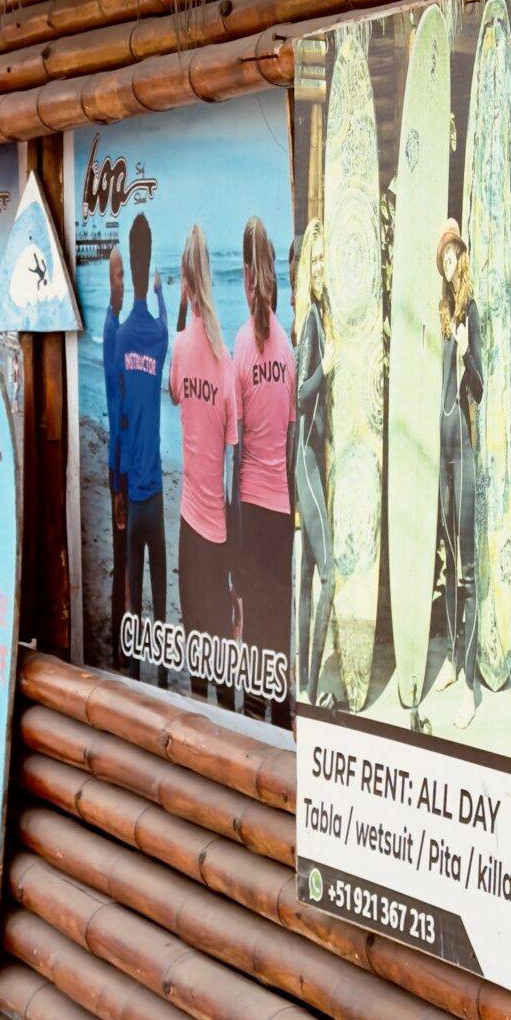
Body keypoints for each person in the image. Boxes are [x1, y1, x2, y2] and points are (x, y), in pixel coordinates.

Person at [226, 215, 296, 726]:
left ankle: (254, 707)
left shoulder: (240, 345)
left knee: (251, 612)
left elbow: (237, 441)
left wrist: (229, 519)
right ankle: (281, 707)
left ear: (248, 276)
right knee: (278, 612)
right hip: (281, 505)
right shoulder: (289, 347)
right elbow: (289, 439)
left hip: (250, 500)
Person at [170, 221, 239, 705]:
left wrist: (182, 311)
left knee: (196, 635)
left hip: (191, 522)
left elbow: (175, 393)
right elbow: (233, 449)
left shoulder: (179, 349)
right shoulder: (227, 361)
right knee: (222, 636)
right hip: (220, 525)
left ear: (186, 284)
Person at [106, 213, 168, 684]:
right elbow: (168, 323)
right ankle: (164, 671)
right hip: (154, 486)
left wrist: (116, 485)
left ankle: (131, 663)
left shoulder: (123, 336)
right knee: (159, 580)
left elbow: (118, 418)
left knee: (131, 578)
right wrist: (165, 294)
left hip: (130, 481)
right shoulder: (159, 335)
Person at [430, 221, 483, 710]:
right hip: (442, 453)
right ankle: (450, 658)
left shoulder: (472, 313)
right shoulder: (445, 316)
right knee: (447, 562)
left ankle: (469, 683)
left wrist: (468, 359)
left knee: (467, 569)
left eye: (452, 259)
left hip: (464, 449)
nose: (449, 268)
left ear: (462, 257)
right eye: (443, 262)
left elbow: (479, 388)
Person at [290, 220, 336, 710]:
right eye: (316, 262)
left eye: (326, 261)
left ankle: (303, 685)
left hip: (307, 457)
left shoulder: (317, 315)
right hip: (304, 457)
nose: (322, 269)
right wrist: (329, 366)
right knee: (332, 572)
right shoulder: (311, 324)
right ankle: (311, 685)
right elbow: (301, 398)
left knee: (305, 578)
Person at [102, 241, 128, 655]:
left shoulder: (118, 325)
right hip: (119, 459)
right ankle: (121, 635)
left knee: (125, 549)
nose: (125, 282)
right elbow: (116, 403)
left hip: (123, 456)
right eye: (121, 275)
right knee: (123, 550)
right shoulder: (112, 329)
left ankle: (121, 628)